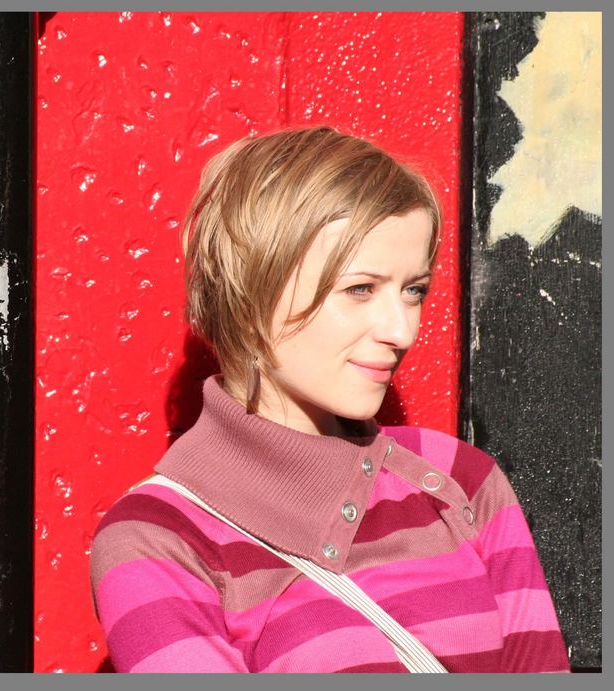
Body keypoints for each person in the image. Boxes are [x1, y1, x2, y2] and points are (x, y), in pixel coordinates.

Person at [89, 126, 570, 673]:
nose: (402, 329)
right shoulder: (158, 541)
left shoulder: (461, 479)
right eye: (360, 289)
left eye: (414, 290)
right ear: (251, 290)